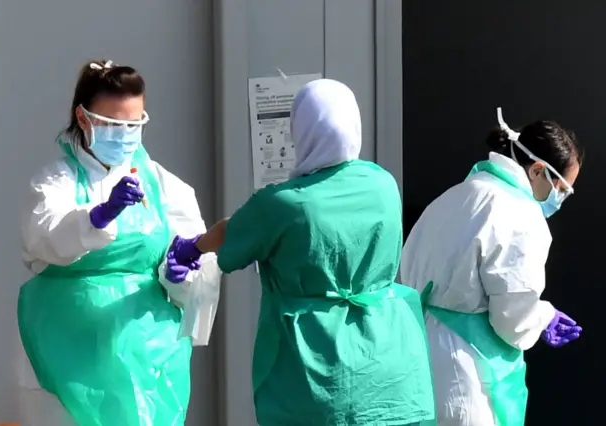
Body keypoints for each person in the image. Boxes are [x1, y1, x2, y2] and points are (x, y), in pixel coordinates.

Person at [170, 78, 435, 426]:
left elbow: (232, 235)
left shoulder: (284, 203)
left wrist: (191, 248)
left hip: (317, 368)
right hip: (391, 363)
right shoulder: (383, 183)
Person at [17, 59, 221, 426]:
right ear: (83, 119)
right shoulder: (55, 183)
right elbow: (41, 239)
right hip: (63, 352)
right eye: (113, 124)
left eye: (134, 124)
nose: (124, 134)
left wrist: (179, 276)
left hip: (147, 357)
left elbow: (201, 266)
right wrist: (98, 216)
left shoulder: (165, 187)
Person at [400, 108, 584, 426]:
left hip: (417, 369)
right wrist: (543, 317)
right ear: (538, 171)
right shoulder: (521, 216)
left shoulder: (450, 198)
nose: (561, 198)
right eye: (562, 189)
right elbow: (511, 319)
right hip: (467, 381)